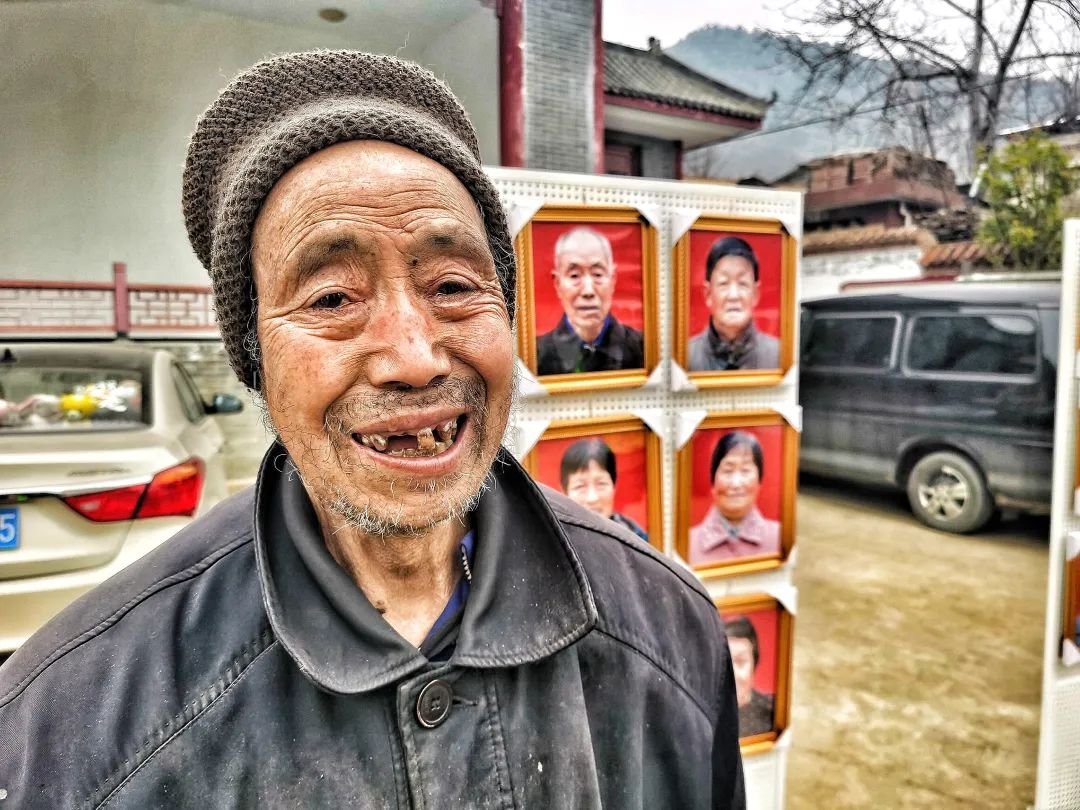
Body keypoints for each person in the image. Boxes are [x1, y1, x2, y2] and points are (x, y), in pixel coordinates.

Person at [0, 51, 744, 808]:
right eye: (331, 300)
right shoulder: (66, 735)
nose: (414, 359)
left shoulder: (667, 631)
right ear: (253, 354)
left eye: (453, 286)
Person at [536, 226, 645, 374]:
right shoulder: (536, 355)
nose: (588, 291)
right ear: (557, 283)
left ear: (613, 279)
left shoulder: (643, 348)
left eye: (598, 274)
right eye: (574, 276)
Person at [688, 236, 780, 371]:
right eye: (723, 283)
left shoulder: (779, 356)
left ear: (755, 294)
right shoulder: (685, 357)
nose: (733, 296)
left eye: (742, 283)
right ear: (708, 294)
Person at [690, 431, 781, 564]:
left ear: (759, 480)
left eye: (745, 470)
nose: (736, 484)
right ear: (713, 481)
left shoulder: (779, 537)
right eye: (727, 471)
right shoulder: (689, 544)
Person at [559, 437, 649, 543]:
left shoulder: (636, 539)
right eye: (580, 486)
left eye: (601, 484)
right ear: (564, 493)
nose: (592, 498)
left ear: (614, 486)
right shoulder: (555, 542)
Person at [725, 615, 775, 738]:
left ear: (754, 662)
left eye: (741, 661)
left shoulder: (772, 711)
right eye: (725, 662)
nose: (733, 674)